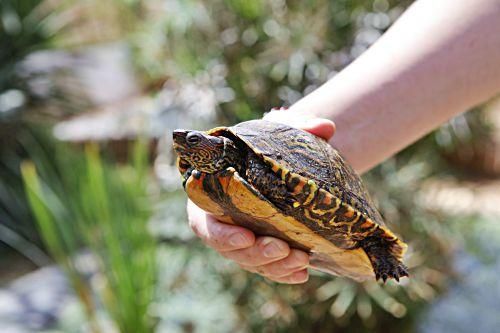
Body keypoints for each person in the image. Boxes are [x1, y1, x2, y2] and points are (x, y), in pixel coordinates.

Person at [186, 0, 500, 284]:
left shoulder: (244, 159)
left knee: (366, 239)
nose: (182, 146)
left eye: (192, 142)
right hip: (289, 217)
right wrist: (297, 128)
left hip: (308, 196)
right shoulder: (211, 172)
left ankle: (378, 247)